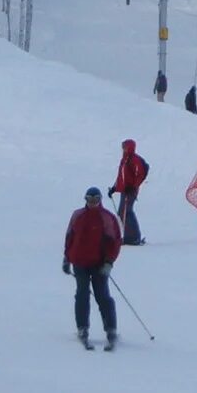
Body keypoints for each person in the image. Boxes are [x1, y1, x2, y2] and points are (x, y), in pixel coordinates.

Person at [62, 186, 122, 349]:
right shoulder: (78, 215)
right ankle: (82, 327)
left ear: (100, 200)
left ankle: (111, 328)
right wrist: (67, 259)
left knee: (102, 296)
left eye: (95, 200)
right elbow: (70, 237)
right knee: (82, 295)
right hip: (79, 262)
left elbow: (115, 241)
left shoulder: (107, 218)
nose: (92, 203)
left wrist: (109, 262)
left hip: (99, 264)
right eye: (89, 200)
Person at [109, 140, 149, 247]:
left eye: (125, 147)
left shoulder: (134, 159)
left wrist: (133, 187)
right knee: (123, 212)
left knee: (126, 212)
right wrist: (114, 188)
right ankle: (130, 236)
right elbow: (121, 178)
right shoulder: (124, 160)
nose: (123, 149)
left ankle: (134, 237)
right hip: (125, 191)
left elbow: (140, 175)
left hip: (130, 191)